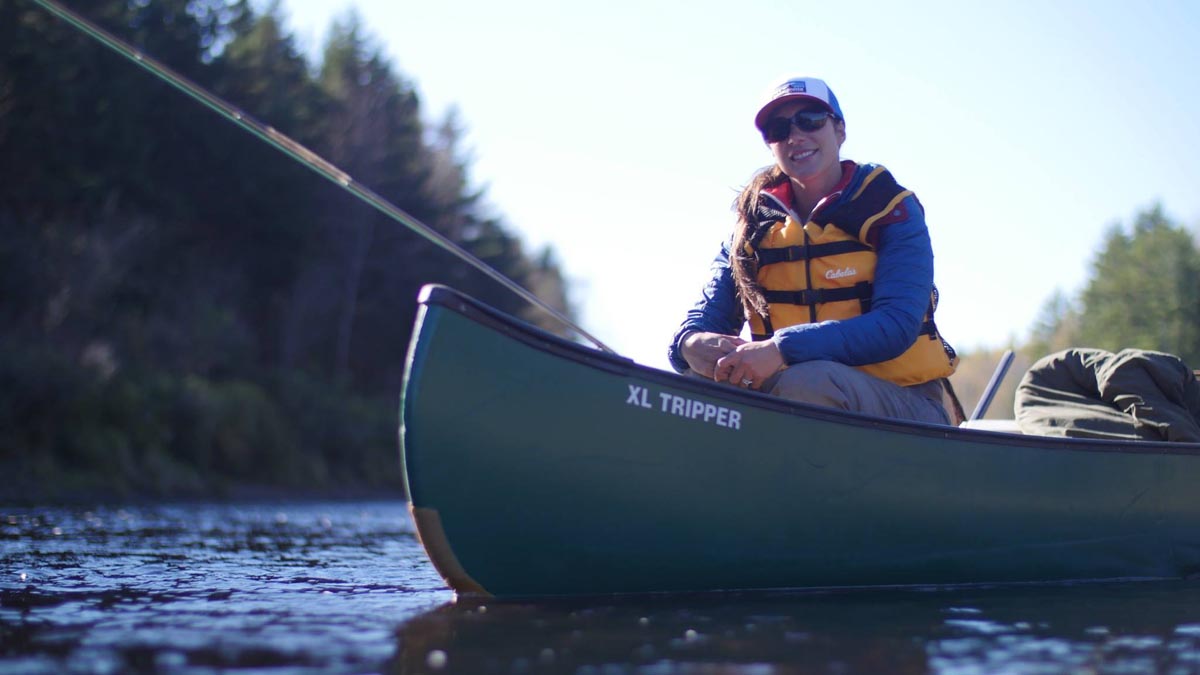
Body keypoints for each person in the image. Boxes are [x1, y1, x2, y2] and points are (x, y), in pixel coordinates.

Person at [667, 76, 959, 424]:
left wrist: (781, 348)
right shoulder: (754, 225)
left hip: (907, 405)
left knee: (808, 382)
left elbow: (895, 326)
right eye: (779, 129)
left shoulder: (892, 211)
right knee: (696, 383)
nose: (795, 136)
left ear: (840, 130)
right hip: (788, 393)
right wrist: (689, 343)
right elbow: (705, 316)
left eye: (810, 120)